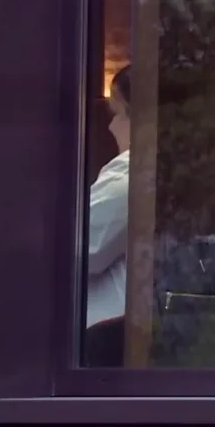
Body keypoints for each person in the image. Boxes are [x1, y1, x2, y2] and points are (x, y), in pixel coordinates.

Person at [86, 65, 132, 328]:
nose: (112, 126)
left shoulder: (129, 176)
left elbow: (83, 249)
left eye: (117, 113)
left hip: (107, 328)